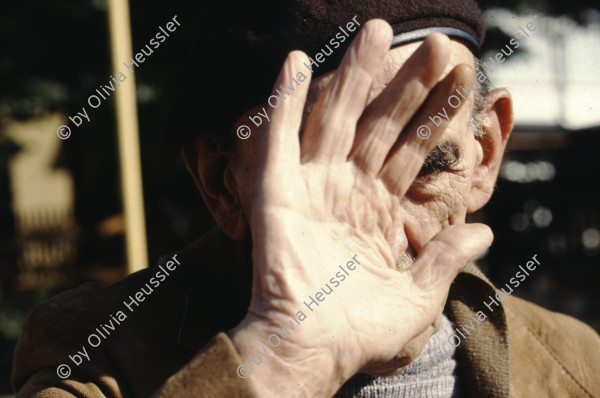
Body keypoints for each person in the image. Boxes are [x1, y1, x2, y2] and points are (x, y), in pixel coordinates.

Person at [11, 0, 600, 397]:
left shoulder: (575, 359)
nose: (374, 242)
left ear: (486, 153)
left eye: (423, 168)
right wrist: (281, 363)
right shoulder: (97, 354)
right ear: (222, 181)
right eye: (318, 178)